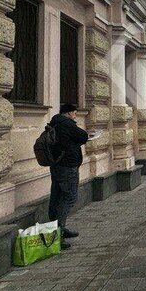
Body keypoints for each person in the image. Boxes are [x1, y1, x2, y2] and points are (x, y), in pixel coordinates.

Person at [48, 102, 89, 246]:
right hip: (68, 167)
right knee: (69, 197)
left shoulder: (54, 123)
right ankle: (58, 234)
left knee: (57, 196)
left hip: (57, 165)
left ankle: (57, 230)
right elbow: (83, 136)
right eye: (75, 113)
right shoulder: (67, 124)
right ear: (70, 113)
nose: (75, 116)